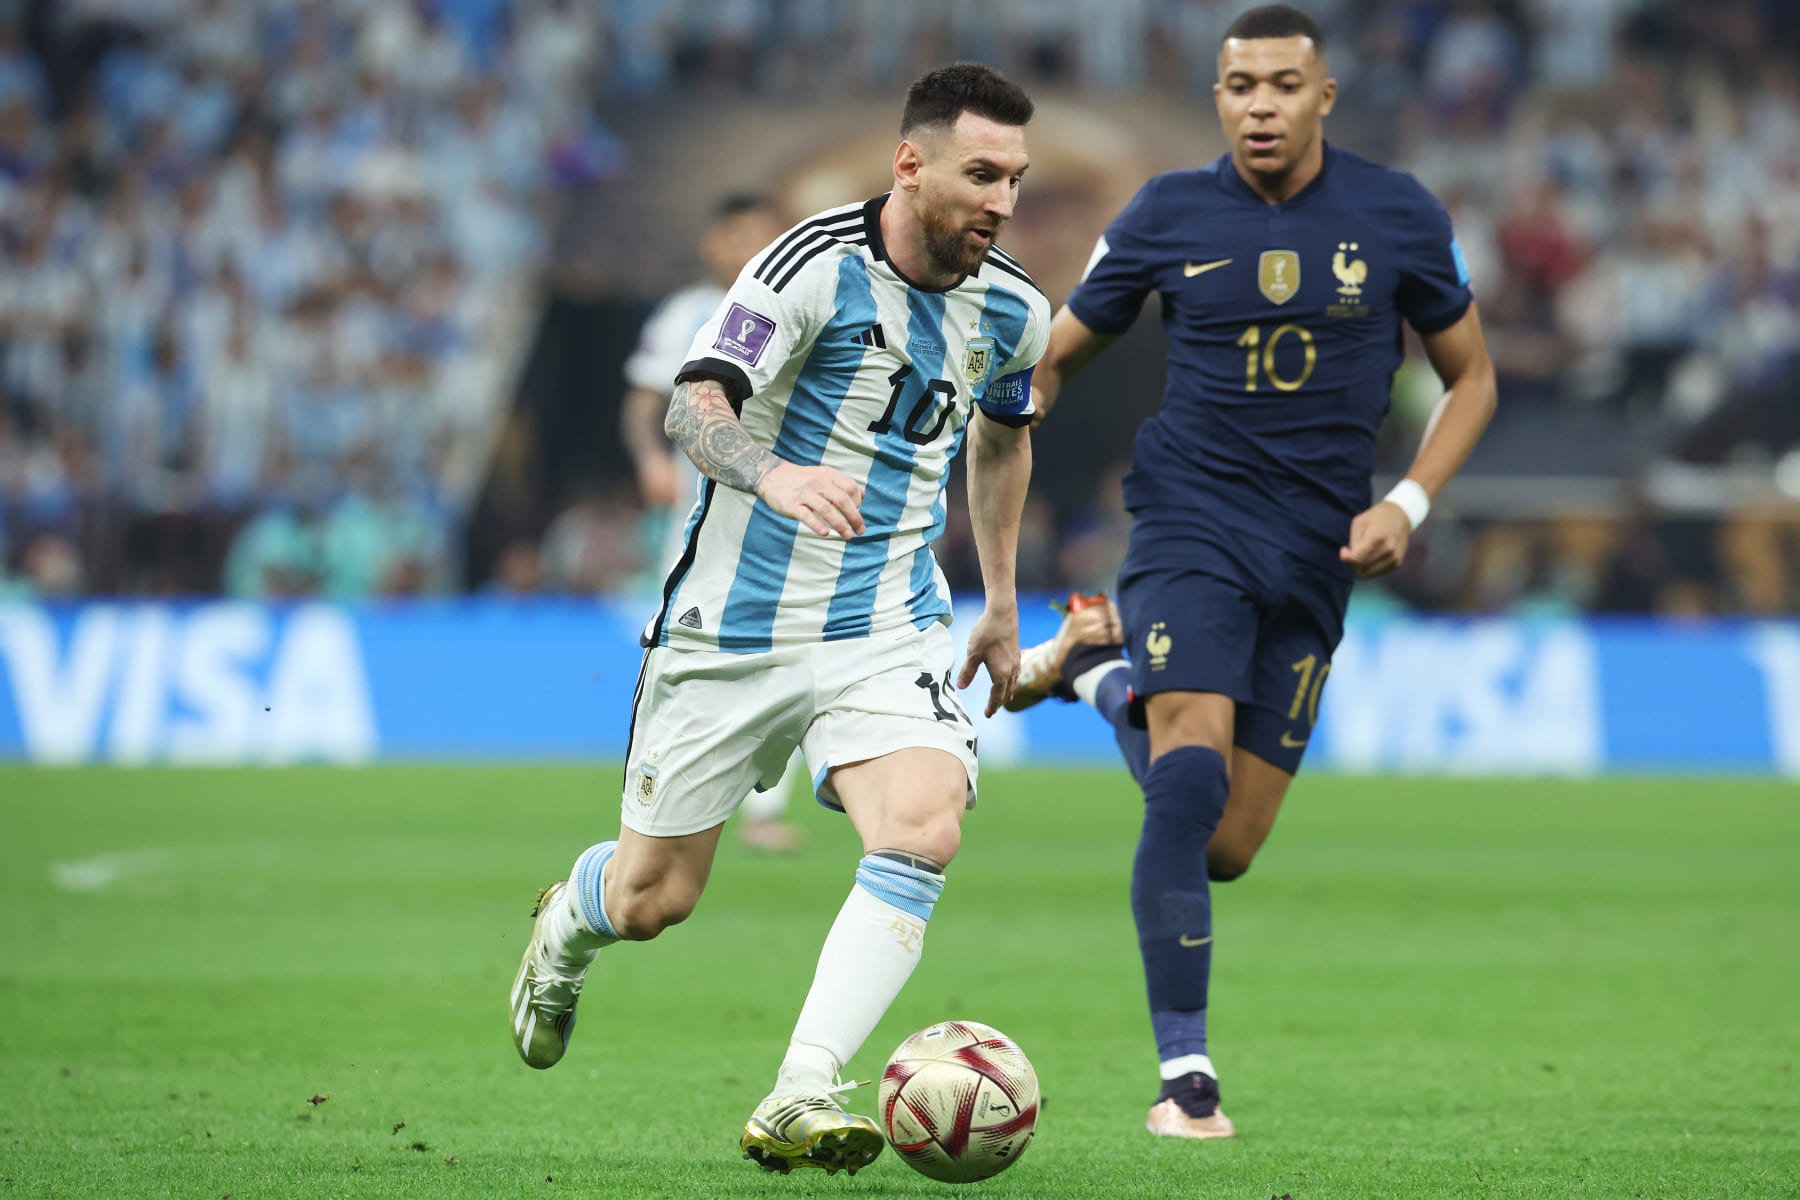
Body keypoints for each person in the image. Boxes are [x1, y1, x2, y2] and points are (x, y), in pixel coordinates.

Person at [510, 63, 1048, 1176]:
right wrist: (773, 474)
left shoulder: (1013, 308)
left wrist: (998, 598)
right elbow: (693, 402)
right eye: (981, 174)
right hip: (731, 629)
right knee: (658, 900)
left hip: (886, 623)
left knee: (924, 824)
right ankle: (569, 921)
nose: (1002, 202)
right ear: (910, 164)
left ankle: (803, 1087)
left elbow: (1003, 434)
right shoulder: (808, 264)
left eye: (1016, 179)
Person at [1015, 4, 1498, 1141]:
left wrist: (1408, 500)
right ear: (1219, 97)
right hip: (1190, 524)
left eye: (1285, 85)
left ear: (1324, 95)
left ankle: (1097, 673)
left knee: (1225, 844)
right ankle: (1186, 1078)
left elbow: (1471, 380)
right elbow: (1059, 357)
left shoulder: (1399, 215)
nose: (1262, 106)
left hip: (1323, 548)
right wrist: (1005, 408)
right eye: (1241, 87)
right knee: (1185, 786)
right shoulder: (1165, 213)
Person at [620, 192, 808, 853]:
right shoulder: (685, 315)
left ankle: (764, 811)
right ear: (713, 244)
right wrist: (650, 459)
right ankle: (654, 788)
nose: (746, 247)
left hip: (786, 510)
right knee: (684, 647)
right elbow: (645, 400)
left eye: (761, 235)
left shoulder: (804, 303)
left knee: (789, 652)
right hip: (699, 514)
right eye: (736, 235)